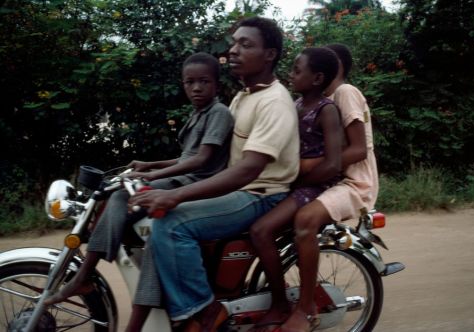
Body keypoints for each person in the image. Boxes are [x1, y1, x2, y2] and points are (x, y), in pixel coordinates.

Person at [128, 16, 300, 331]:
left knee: (172, 223)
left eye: (245, 44)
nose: (233, 50)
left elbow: (249, 169)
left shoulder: (274, 102)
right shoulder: (244, 96)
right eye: (233, 43)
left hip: (261, 195)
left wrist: (175, 194)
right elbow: (206, 157)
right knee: (159, 219)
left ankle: (203, 312)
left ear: (270, 54)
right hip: (240, 191)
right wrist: (156, 172)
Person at [43, 52, 234, 317]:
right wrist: (149, 165)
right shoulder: (198, 114)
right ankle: (96, 274)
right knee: (119, 199)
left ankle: (84, 275)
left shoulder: (219, 113)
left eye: (204, 81)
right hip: (186, 176)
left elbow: (201, 160)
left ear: (216, 84)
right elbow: (185, 157)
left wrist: (152, 177)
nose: (197, 88)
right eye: (190, 82)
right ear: (183, 84)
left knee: (121, 198)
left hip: (197, 183)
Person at [279, 43, 379, 332]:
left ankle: (306, 306)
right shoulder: (314, 101)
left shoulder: (344, 93)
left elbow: (359, 149)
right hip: (330, 178)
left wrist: (309, 168)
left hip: (353, 182)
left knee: (305, 220)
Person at [248, 47, 344, 332]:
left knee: (261, 231)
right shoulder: (295, 103)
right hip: (291, 182)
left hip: (312, 186)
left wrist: (298, 183)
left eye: (297, 70)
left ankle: (287, 305)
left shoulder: (327, 110)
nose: (290, 75)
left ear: (317, 78)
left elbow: (334, 163)